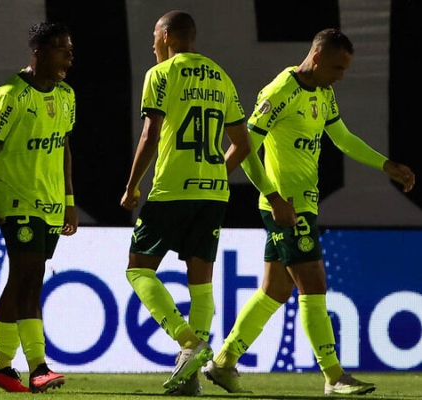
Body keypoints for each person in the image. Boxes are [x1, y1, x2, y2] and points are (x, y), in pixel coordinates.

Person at [202, 28, 415, 396]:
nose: (340, 76)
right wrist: (274, 197)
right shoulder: (278, 93)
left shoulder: (324, 93)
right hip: (285, 205)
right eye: (336, 67)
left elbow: (343, 137)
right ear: (316, 58)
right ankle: (334, 376)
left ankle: (223, 363)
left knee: (275, 290)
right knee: (314, 284)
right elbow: (246, 148)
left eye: (345, 69)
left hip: (302, 204)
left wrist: (386, 166)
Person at [119, 10, 251, 397]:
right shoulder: (221, 76)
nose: (152, 45)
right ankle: (189, 377)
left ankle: (188, 342)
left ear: (166, 36)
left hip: (172, 188)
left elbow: (150, 134)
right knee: (201, 282)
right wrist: (213, 175)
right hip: (213, 191)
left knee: (138, 269)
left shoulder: (160, 74)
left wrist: (131, 186)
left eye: (154, 37)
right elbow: (242, 145)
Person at [0, 21, 78, 394]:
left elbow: (63, 147)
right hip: (18, 202)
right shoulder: (8, 95)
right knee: (29, 279)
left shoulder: (66, 95)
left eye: (70, 48)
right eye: (62, 48)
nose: (69, 55)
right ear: (39, 52)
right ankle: (38, 367)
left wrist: (68, 201)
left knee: (21, 280)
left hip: (50, 204)